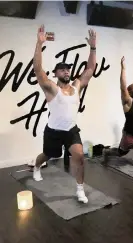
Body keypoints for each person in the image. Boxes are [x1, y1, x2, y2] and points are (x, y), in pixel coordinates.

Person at [32, 25, 97, 204]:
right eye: (62, 69)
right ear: (56, 74)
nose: (66, 71)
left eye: (68, 69)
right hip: (53, 131)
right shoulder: (52, 89)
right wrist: (39, 43)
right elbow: (38, 70)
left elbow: (90, 70)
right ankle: (37, 166)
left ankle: (79, 189)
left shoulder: (76, 86)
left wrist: (93, 47)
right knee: (47, 155)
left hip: (70, 131)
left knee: (80, 157)